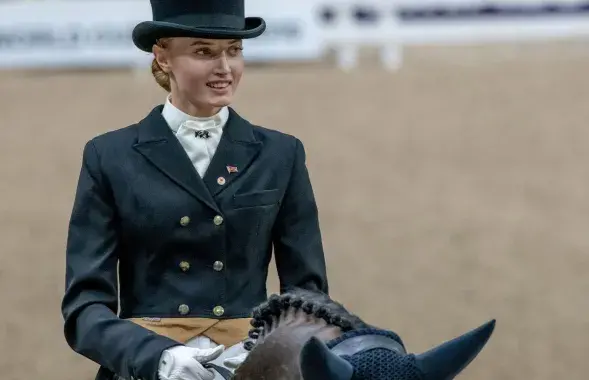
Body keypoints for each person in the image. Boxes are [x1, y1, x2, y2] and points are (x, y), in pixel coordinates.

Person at [60, 1, 329, 380]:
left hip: (250, 363)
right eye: (204, 52)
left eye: (234, 51)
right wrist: (157, 358)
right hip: (149, 366)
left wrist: (264, 348)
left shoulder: (281, 155)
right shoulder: (109, 156)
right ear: (163, 57)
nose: (224, 68)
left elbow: (309, 294)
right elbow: (85, 308)